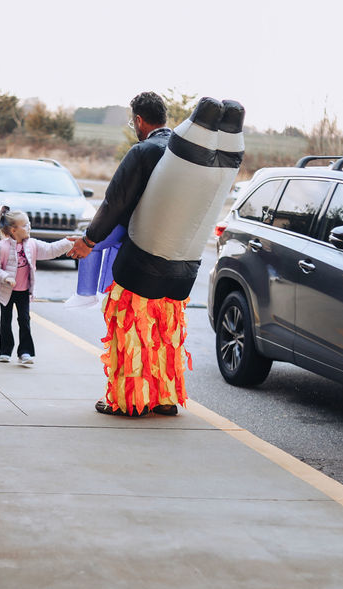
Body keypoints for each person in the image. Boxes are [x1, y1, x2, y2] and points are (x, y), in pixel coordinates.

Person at [67, 92, 244, 418]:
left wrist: (89, 241)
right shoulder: (194, 154)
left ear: (138, 120)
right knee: (165, 333)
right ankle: (163, 397)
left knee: (131, 331)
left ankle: (125, 399)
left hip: (140, 264)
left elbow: (114, 203)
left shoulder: (144, 151)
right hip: (185, 267)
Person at [0, 206, 73, 364]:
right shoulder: (2, 247)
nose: (29, 227)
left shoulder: (32, 244)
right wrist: (5, 277)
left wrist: (68, 242)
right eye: (25, 225)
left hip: (23, 290)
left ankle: (25, 352)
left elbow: (51, 250)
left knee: (24, 320)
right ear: (14, 230)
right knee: (6, 320)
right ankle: (5, 351)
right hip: (6, 290)